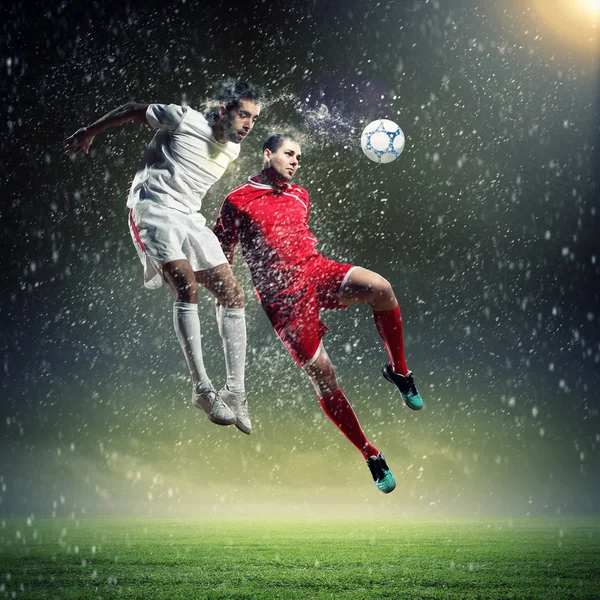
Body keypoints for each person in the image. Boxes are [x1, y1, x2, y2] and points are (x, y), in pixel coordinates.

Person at [214, 134, 424, 493]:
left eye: (299, 156)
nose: (295, 161)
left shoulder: (300, 195)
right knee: (325, 376)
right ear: (268, 154)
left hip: (315, 271)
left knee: (382, 288)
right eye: (288, 154)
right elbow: (219, 252)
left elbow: (297, 240)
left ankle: (399, 372)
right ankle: (370, 454)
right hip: (283, 301)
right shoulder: (237, 201)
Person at [64, 81, 263, 434]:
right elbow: (129, 110)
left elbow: (180, 171)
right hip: (153, 210)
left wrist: (145, 173)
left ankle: (235, 392)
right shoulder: (182, 118)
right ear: (223, 111)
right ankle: (202, 389)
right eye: (244, 114)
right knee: (186, 287)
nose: (249, 124)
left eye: (254, 119)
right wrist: (88, 132)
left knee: (234, 295)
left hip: (189, 216)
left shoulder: (230, 150)